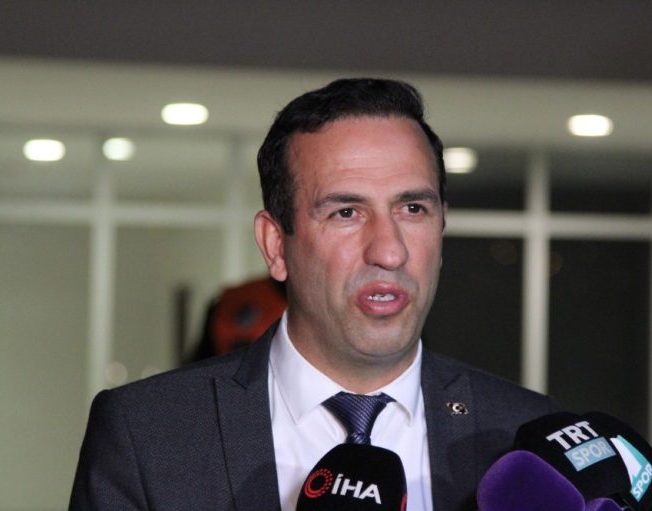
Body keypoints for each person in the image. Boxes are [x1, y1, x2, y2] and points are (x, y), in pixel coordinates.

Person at [70, 78, 559, 510]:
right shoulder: (148, 434)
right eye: (346, 213)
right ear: (275, 245)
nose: (389, 252)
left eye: (412, 209)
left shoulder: (528, 439)